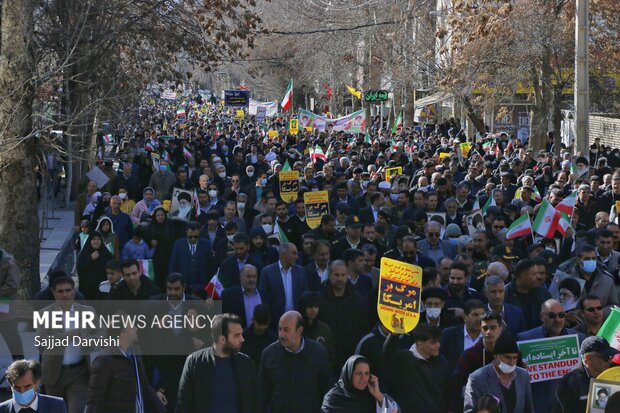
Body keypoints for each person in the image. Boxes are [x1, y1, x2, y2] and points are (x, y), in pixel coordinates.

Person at [176, 313, 260, 413]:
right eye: (237, 335)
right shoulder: (194, 362)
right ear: (222, 339)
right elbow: (183, 404)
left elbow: (256, 402)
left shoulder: (246, 364)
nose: (242, 339)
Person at [36, 276, 97, 413]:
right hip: (54, 372)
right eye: (60, 291)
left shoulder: (87, 311)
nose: (65, 295)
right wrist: (71, 334)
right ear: (54, 292)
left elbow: (101, 334)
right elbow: (42, 342)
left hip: (80, 373)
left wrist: (89, 341)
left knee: (76, 410)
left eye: (68, 290)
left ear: (73, 291)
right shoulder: (44, 314)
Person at [517, 299, 586, 413]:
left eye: (561, 315)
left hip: (570, 406)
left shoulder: (580, 339)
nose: (558, 320)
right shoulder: (525, 340)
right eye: (552, 316)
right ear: (541, 317)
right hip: (539, 406)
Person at [260, 311, 331, 413]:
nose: (281, 334)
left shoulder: (318, 352)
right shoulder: (269, 354)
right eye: (280, 329)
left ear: (299, 330)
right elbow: (262, 393)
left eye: (286, 330)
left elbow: (326, 389)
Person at [85, 324, 166, 413]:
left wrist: (161, 409)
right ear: (123, 335)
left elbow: (144, 387)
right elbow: (95, 400)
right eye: (131, 327)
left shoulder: (135, 357)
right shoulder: (104, 361)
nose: (136, 328)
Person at [383, 324, 450, 413]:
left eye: (438, 341)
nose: (438, 345)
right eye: (433, 342)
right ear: (420, 344)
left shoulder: (442, 362)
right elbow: (388, 354)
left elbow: (446, 391)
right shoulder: (405, 359)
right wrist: (394, 335)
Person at [464, 333, 534, 413]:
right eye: (507, 357)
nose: (511, 362)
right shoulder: (477, 379)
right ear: (496, 355)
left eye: (515, 358)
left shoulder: (523, 375)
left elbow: (528, 409)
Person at [551, 336, 619, 413]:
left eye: (611, 356)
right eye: (605, 357)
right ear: (588, 359)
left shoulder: (616, 371)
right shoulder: (569, 382)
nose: (610, 361)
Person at [321, 355, 399, 413]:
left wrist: (379, 396)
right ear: (349, 374)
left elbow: (392, 411)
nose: (363, 378)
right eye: (358, 373)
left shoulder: (373, 395)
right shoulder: (333, 398)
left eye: (366, 373)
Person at [258, 243, 308, 329]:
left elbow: (305, 296)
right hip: (275, 323)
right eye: (294, 253)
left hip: (297, 321)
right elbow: (264, 298)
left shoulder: (301, 271)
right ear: (283, 254)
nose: (297, 257)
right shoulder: (267, 272)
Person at [1, 359, 67, 413]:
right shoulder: (2, 409)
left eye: (27, 386)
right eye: (17, 387)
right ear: (10, 385)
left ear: (36, 384)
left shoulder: (57, 406)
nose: (22, 391)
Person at [169, 221, 215, 296]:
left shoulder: (206, 244)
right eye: (190, 237)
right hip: (184, 286)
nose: (193, 239)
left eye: (196, 236)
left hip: (201, 286)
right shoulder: (178, 244)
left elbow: (210, 266)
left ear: (199, 232)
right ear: (186, 232)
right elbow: (173, 265)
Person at [76, 231, 114, 300]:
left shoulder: (106, 254)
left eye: (98, 239)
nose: (96, 241)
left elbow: (113, 267)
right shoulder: (85, 254)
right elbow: (80, 267)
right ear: (90, 241)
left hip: (103, 290)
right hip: (87, 290)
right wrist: (90, 258)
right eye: (94, 239)